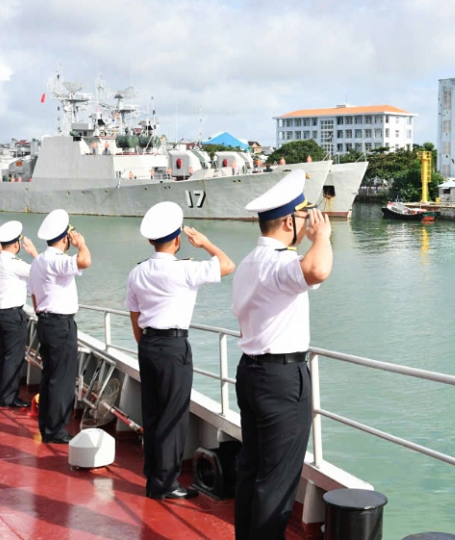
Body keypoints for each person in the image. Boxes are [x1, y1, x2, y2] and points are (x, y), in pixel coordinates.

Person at [232, 169, 333, 540]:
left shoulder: (249, 264)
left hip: (252, 373)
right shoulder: (278, 263)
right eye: (303, 216)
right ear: (290, 221)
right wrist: (322, 236)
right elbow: (318, 268)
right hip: (282, 381)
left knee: (252, 471)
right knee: (276, 482)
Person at [125, 202, 234, 500]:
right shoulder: (185, 269)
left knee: (153, 413)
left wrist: (146, 346)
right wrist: (205, 243)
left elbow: (134, 317)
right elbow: (227, 265)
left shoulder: (137, 273)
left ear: (150, 241)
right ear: (177, 240)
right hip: (173, 347)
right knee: (173, 417)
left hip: (147, 345)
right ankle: (166, 484)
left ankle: (154, 476)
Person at [29, 210, 92, 444]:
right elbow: (85, 260)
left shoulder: (37, 261)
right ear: (65, 237)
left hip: (44, 322)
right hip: (59, 324)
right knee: (62, 379)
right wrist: (82, 244)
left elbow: (35, 297)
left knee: (49, 377)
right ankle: (56, 430)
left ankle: (47, 425)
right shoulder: (56, 260)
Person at [0, 221, 38, 409]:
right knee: (14, 357)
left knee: (2, 354)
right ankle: (8, 397)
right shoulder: (14, 264)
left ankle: (2, 392)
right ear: (17, 244)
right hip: (12, 315)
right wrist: (33, 253)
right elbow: (40, 271)